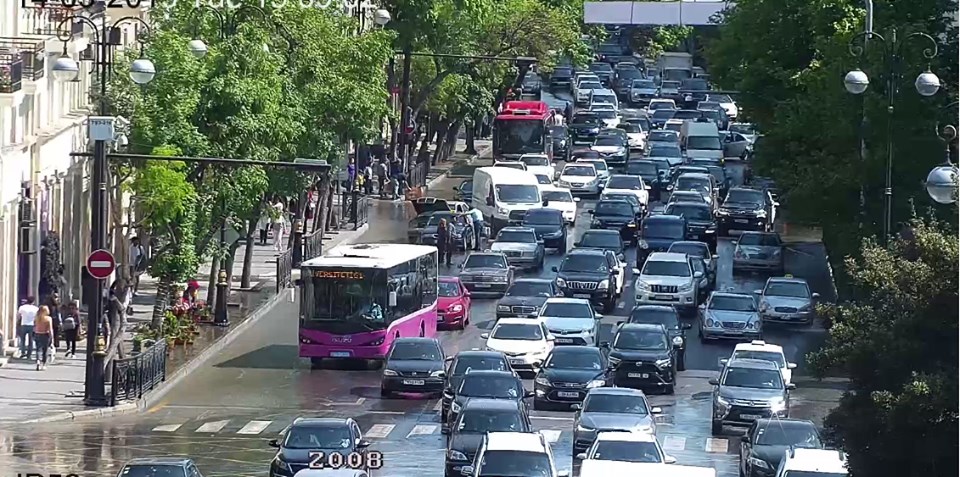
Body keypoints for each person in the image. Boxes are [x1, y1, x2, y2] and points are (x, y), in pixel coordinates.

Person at [33, 306, 53, 371]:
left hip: (37, 333)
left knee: (38, 349)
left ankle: (38, 361)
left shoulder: (36, 318)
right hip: (45, 334)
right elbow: (50, 329)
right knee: (45, 350)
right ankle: (43, 364)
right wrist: (52, 337)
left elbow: (34, 326)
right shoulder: (48, 319)